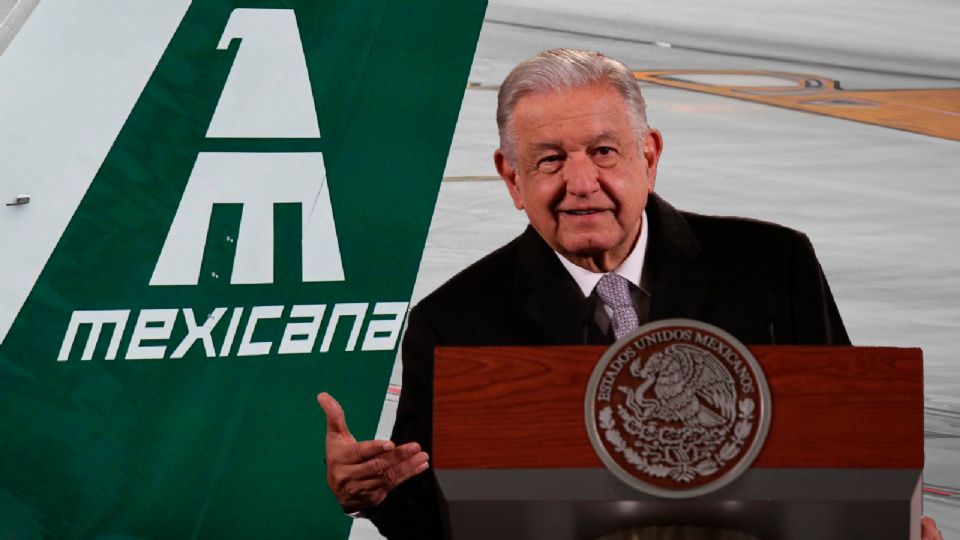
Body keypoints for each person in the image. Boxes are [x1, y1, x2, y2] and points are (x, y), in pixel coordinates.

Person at [318, 49, 941, 540]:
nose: (581, 182)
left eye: (604, 152)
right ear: (512, 177)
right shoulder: (452, 323)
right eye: (550, 160)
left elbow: (847, 449)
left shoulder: (774, 266)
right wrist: (378, 497)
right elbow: (442, 522)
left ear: (650, 154)